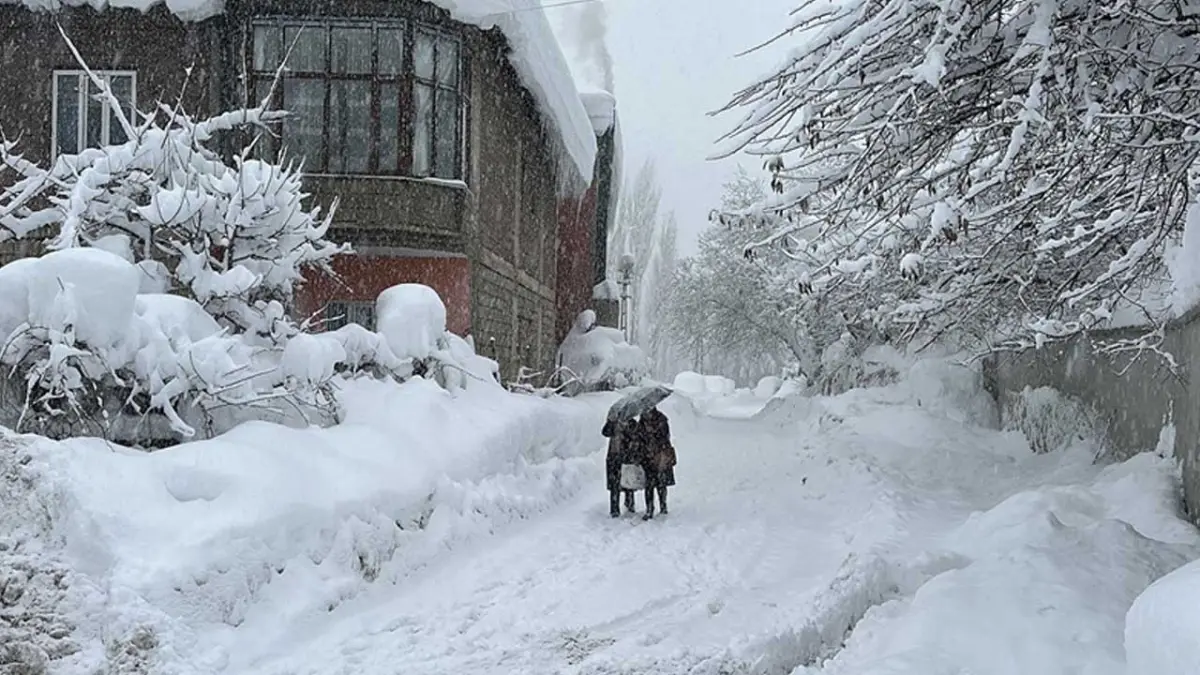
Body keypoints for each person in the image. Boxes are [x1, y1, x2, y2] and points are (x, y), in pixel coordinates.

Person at [637, 406, 676, 520]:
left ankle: (663, 506)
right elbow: (639, 437)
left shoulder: (661, 419)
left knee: (661, 483)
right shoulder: (642, 421)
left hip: (660, 455)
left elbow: (665, 437)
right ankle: (649, 509)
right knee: (649, 485)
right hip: (647, 457)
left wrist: (653, 434)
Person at [601, 418, 638, 517]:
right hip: (614, 457)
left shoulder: (632, 423)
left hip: (627, 458)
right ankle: (614, 509)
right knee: (614, 484)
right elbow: (605, 432)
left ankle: (629, 504)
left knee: (628, 483)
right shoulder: (613, 423)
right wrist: (610, 422)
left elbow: (636, 437)